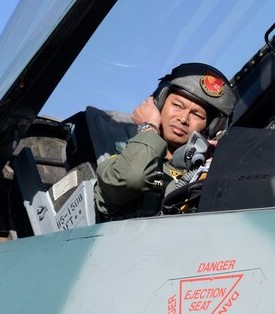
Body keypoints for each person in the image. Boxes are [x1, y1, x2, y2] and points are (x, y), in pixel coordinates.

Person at [94, 63, 236, 219]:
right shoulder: (121, 164)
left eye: (197, 115)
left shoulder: (206, 174)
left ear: (210, 129)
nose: (183, 119)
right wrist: (149, 128)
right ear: (159, 104)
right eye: (177, 105)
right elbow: (131, 178)